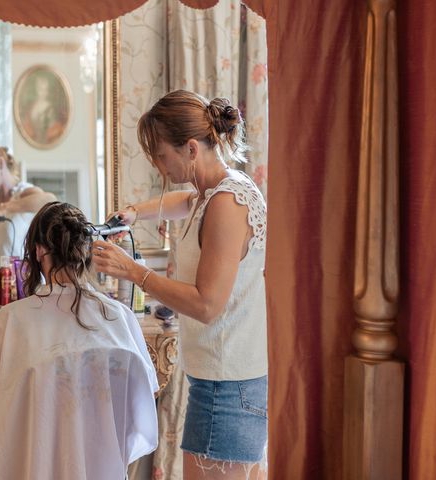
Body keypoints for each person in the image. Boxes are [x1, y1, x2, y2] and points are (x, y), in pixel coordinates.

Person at [91, 90, 267, 479]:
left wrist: (133, 271)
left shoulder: (227, 202)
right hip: (218, 380)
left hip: (230, 387)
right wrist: (135, 213)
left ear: (190, 148)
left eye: (161, 156)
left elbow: (206, 304)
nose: (158, 166)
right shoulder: (210, 193)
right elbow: (182, 202)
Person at [0, 201, 159, 480]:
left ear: (39, 250)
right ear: (86, 250)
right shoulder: (122, 317)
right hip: (102, 467)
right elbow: (142, 404)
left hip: (33, 469)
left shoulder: (14, 318)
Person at [0, 141, 56, 259]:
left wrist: (1, 209)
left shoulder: (24, 192)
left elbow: (51, 201)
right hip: (3, 276)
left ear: (0, 163)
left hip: (24, 276)